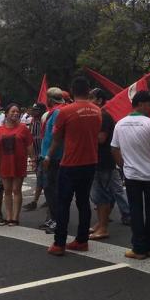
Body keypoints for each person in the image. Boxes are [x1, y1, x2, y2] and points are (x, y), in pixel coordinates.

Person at [46, 77, 102, 256]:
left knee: (63, 202)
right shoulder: (97, 111)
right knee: (83, 202)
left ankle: (59, 243)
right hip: (90, 161)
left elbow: (56, 137)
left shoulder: (66, 111)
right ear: (88, 91)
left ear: (72, 90)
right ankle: (82, 240)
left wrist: (48, 155)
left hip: (70, 163)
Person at [111, 90, 150, 259]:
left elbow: (114, 148)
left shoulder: (120, 124)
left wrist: (123, 165)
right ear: (141, 104)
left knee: (136, 210)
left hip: (132, 175)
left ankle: (138, 248)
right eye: (149, 104)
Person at [89, 88, 131, 240]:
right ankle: (100, 224)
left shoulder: (103, 116)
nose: (88, 101)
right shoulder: (98, 115)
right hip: (102, 161)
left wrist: (83, 135)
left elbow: (100, 139)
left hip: (103, 161)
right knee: (105, 193)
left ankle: (103, 227)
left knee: (101, 195)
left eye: (90, 98)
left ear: (99, 100)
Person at [0, 103, 33, 226]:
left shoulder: (23, 128)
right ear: (6, 113)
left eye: (17, 112)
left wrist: (33, 159)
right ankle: (8, 216)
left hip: (18, 163)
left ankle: (15, 218)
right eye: (12, 111)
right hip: (4, 163)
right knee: (7, 191)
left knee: (17, 190)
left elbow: (29, 146)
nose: (15, 113)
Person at [39, 88, 65, 234]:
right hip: (50, 156)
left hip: (53, 158)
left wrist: (48, 156)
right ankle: (52, 218)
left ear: (50, 99)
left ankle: (56, 220)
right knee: (49, 189)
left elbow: (57, 137)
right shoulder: (55, 112)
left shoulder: (57, 113)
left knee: (52, 189)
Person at [23, 102, 46, 210]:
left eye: (36, 110)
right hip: (36, 154)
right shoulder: (33, 121)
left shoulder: (44, 121)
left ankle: (35, 201)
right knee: (40, 177)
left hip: (43, 155)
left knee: (41, 178)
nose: (33, 111)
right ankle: (47, 199)